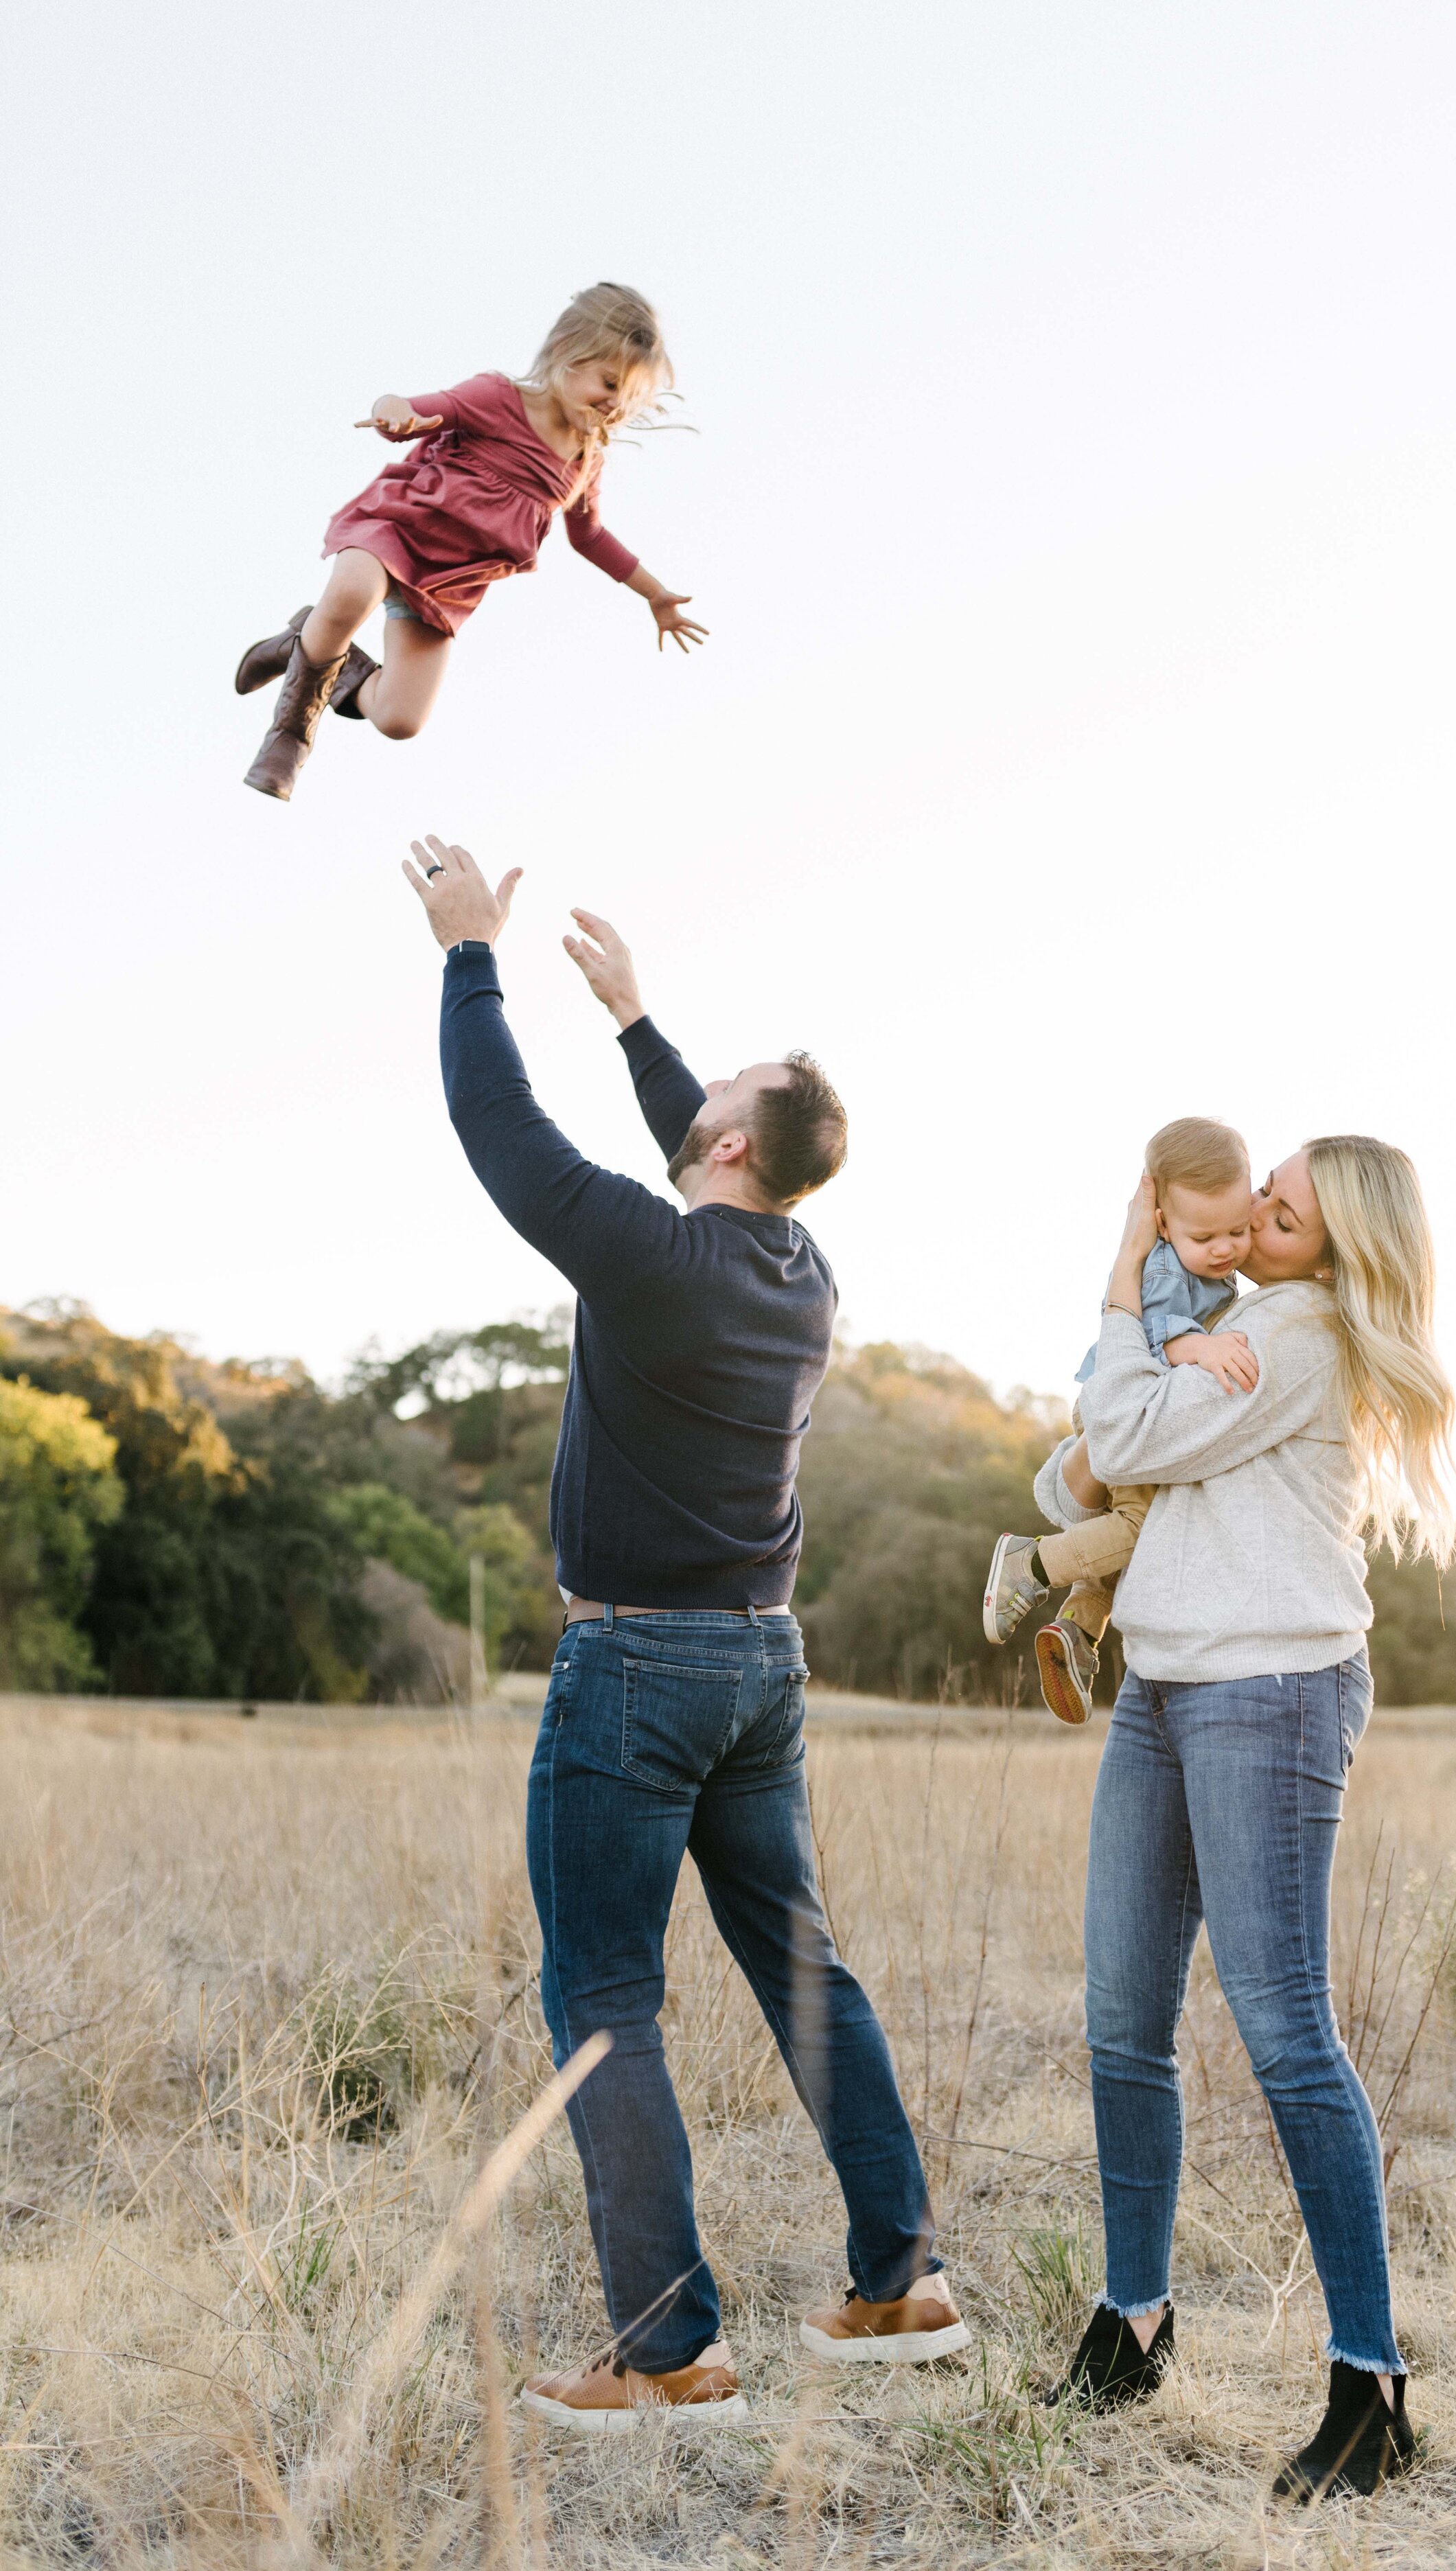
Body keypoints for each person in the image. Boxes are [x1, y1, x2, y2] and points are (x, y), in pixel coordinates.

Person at [402, 835, 969, 2433]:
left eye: (704, 1092)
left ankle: (667, 2351)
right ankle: (900, 2278)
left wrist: (469, 957)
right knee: (802, 1968)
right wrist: (643, 1023)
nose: (688, 1106)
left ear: (724, 1143)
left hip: (636, 1671)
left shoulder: (651, 1258)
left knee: (604, 2000)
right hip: (758, 1670)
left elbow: (498, 1131)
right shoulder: (799, 1268)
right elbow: (703, 1145)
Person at [1042, 1140, 1456, 2505]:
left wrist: (1120, 1295)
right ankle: (1134, 2324)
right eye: (1258, 1201)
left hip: (1266, 1696)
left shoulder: (1299, 1331)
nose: (1249, 1225)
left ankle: (1367, 2381)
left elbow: (1115, 1441)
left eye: (1280, 1217)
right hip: (1160, 1691)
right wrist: (1126, 1402)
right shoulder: (1221, 1321)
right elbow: (1080, 1479)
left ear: (1335, 1250)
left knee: (1284, 2035)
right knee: (1119, 2020)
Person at [238, 285, 705, 800]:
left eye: (629, 396)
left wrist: (654, 594)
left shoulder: (583, 461)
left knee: (400, 718)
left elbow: (589, 535)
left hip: (447, 585)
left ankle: (311, 644)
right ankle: (290, 735)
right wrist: (394, 413)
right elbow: (418, 408)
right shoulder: (499, 397)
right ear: (568, 350)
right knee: (351, 594)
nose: (614, 404)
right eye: (609, 382)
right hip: (398, 529)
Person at [982, 1117, 1259, 1723]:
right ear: (1161, 1221)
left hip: (1136, 1410)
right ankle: (1030, 1564)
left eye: (1239, 1230)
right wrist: (1205, 1349)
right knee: (1136, 1526)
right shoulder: (1162, 1269)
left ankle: (1079, 1632)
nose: (1226, 1248)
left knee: (1129, 1534)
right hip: (1121, 1402)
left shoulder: (1205, 1259)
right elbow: (1155, 1334)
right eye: (1207, 1235)